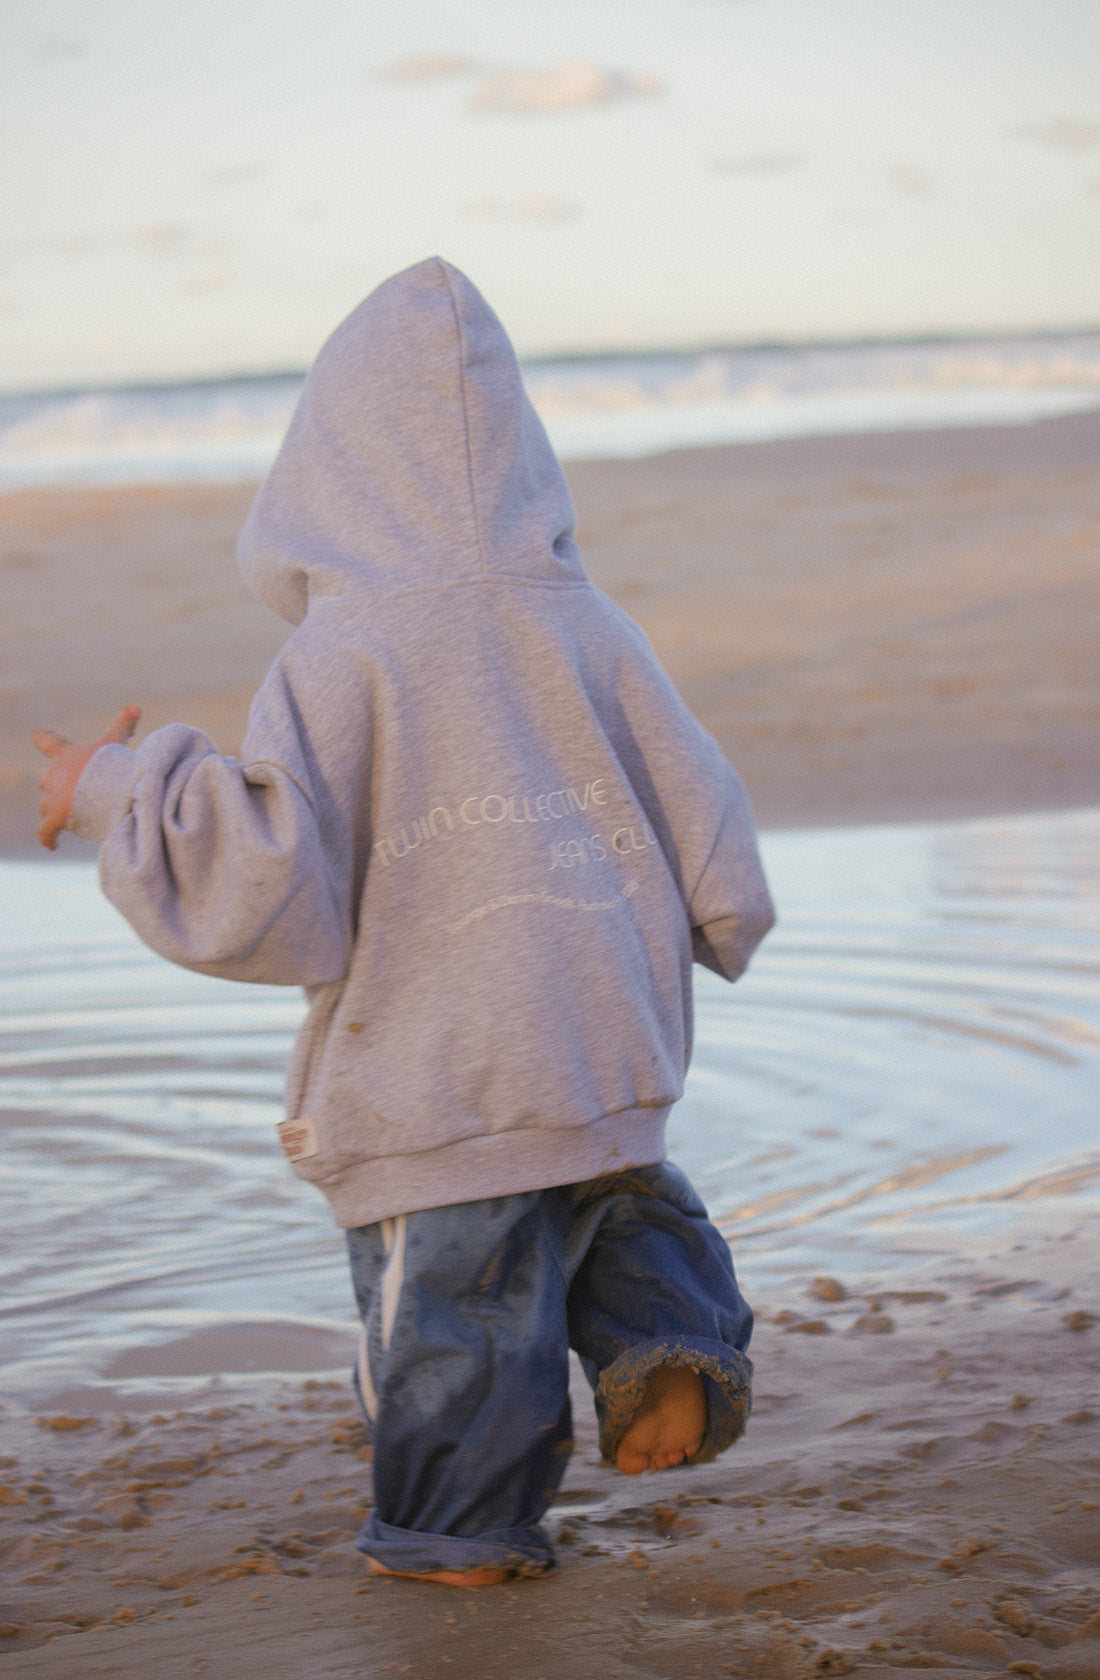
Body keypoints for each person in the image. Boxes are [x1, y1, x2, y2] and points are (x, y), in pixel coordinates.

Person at [32, 257, 775, 1587]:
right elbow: (700, 798)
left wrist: (109, 789)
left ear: (319, 477)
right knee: (612, 1191)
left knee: (456, 1303)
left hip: (438, 1067)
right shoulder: (592, 626)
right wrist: (724, 920)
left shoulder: (338, 660)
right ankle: (667, 1338)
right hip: (601, 1034)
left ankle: (459, 1536)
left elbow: (265, 875)